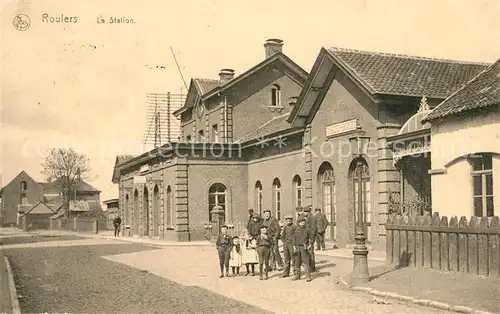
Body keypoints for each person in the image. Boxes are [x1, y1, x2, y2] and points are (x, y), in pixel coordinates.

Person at [292, 216, 313, 282]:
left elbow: (311, 238)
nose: (302, 223)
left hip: (304, 247)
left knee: (305, 261)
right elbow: (294, 239)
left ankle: (308, 276)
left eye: (303, 222)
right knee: (297, 262)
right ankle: (297, 275)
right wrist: (293, 246)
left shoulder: (307, 230)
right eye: (301, 222)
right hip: (297, 247)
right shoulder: (297, 230)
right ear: (299, 223)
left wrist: (310, 244)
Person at [303, 206, 318, 272]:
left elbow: (314, 229)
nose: (304, 213)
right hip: (305, 238)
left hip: (310, 238)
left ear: (308, 212)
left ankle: (312, 267)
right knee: (306, 252)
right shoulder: (305, 218)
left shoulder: (312, 218)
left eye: (305, 211)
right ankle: (309, 266)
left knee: (310, 252)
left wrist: (312, 240)